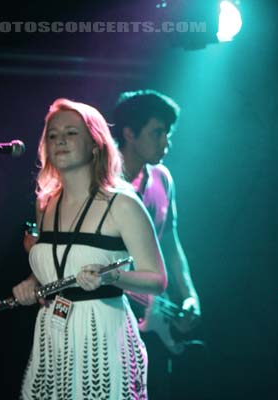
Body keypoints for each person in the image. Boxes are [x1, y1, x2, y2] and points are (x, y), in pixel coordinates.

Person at [13, 98, 167, 399]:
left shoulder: (122, 203)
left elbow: (158, 280)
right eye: (53, 135)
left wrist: (111, 277)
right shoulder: (46, 204)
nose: (60, 141)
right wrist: (32, 284)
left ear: (95, 143)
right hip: (53, 336)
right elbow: (59, 265)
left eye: (71, 133)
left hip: (104, 336)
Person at [112, 90, 202, 399]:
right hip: (113, 317)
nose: (166, 141)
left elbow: (171, 243)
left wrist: (190, 294)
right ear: (129, 133)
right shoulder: (103, 185)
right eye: (157, 132)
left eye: (167, 133)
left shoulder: (163, 178)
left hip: (154, 319)